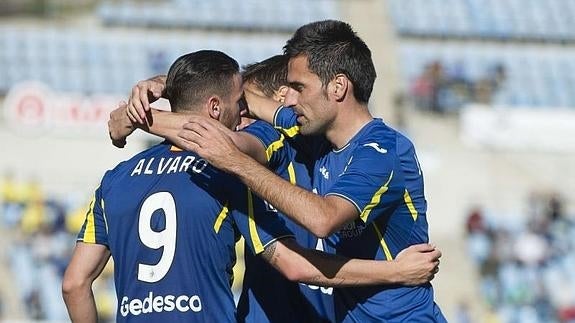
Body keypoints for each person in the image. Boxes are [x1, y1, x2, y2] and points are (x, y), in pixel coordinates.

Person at [66, 50, 440, 323]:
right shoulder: (231, 171)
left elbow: (73, 284)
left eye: (249, 105)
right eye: (239, 106)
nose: (243, 115)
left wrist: (144, 111)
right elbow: (294, 262)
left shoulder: (116, 178)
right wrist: (394, 272)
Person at [174, 20, 447, 322]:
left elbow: (323, 219)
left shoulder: (383, 151)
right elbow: (240, 101)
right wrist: (153, 100)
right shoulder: (315, 136)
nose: (289, 98)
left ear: (338, 87)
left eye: (299, 87)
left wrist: (235, 162)